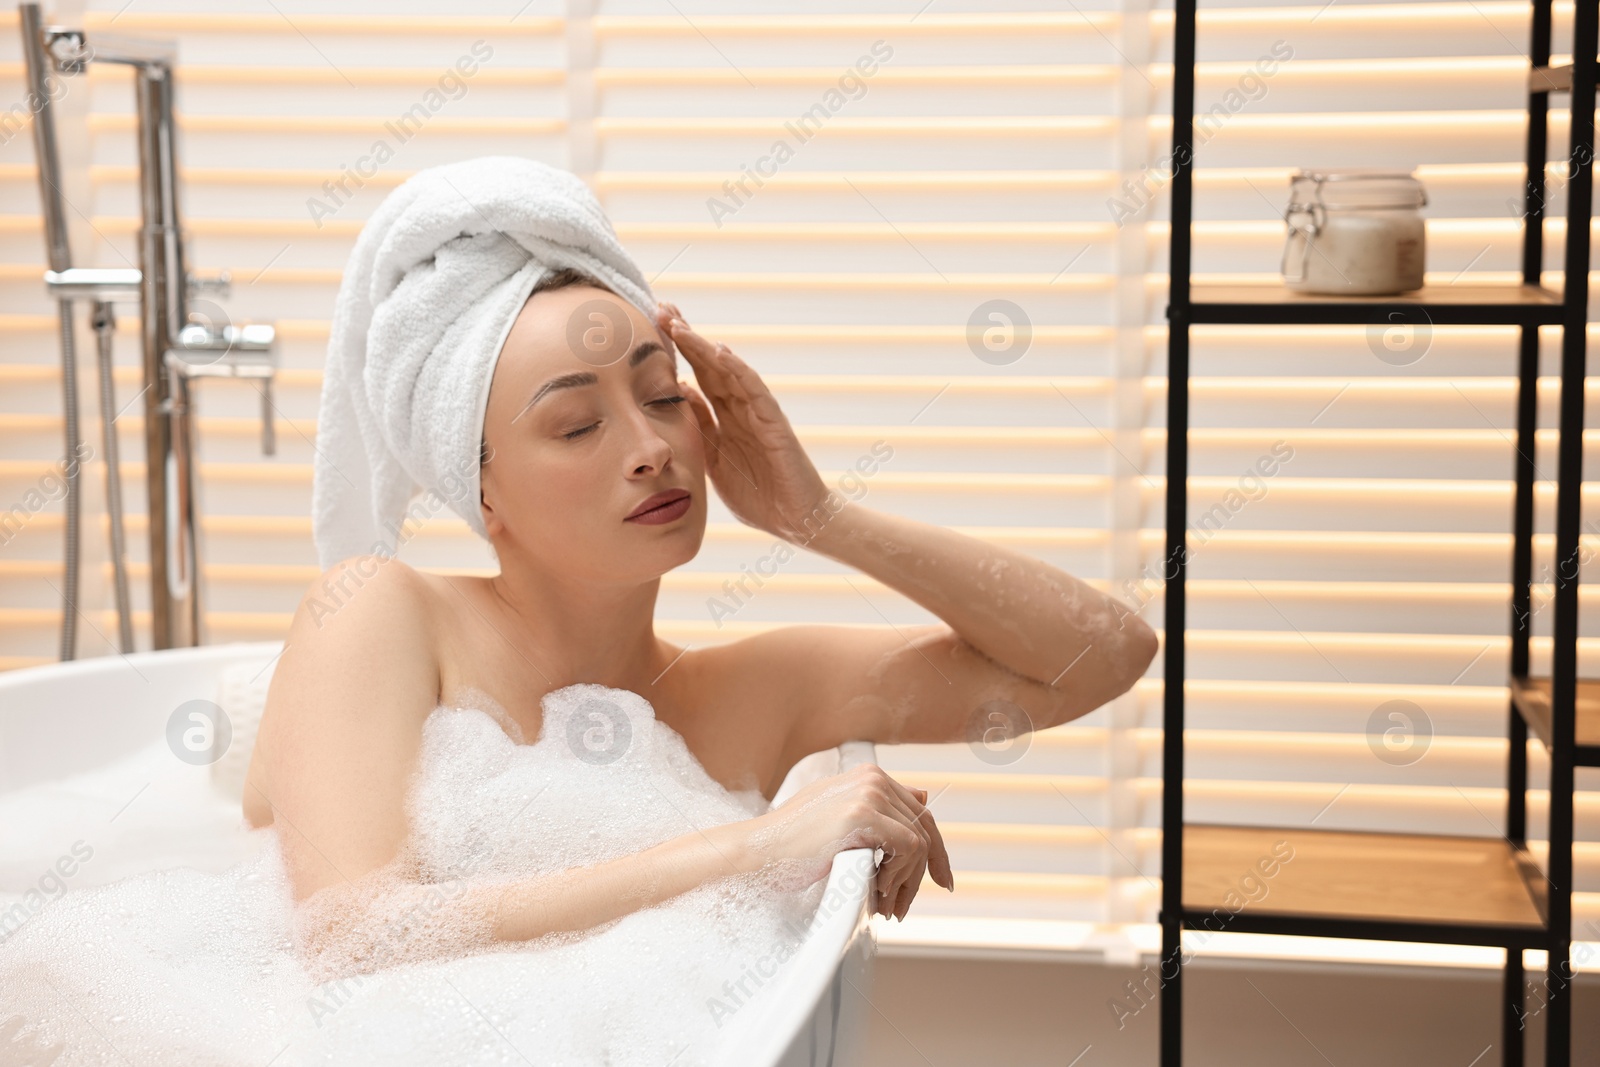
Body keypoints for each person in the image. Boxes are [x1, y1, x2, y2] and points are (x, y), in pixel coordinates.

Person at [241, 261, 1160, 964]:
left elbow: (1106, 655)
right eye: (576, 424)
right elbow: (349, 936)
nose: (648, 447)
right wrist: (756, 846)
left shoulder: (746, 694)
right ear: (482, 492)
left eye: (661, 397)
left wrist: (821, 518)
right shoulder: (380, 613)